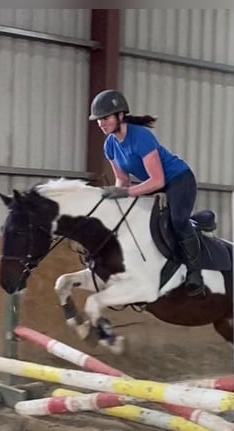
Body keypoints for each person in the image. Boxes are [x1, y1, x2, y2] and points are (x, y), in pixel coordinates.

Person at [88, 89, 204, 297]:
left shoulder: (141, 136)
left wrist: (126, 193)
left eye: (105, 118)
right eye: (98, 120)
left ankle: (195, 273)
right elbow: (122, 179)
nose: (101, 123)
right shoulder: (110, 145)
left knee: (177, 220)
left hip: (179, 179)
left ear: (120, 115)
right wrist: (116, 199)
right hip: (154, 182)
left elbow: (157, 180)